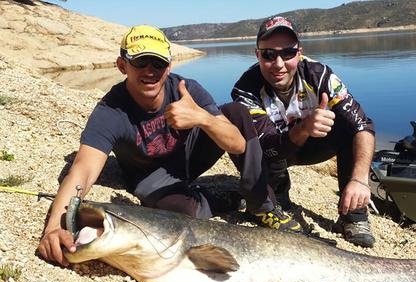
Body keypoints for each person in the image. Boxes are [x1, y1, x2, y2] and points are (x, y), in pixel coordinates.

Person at [38, 25, 302, 267]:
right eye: (140, 62)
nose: (150, 71)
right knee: (183, 214)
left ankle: (262, 203)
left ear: (169, 66)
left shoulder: (187, 89)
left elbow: (237, 144)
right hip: (153, 177)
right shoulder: (111, 110)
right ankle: (215, 199)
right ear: (122, 65)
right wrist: (55, 226)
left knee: (236, 112)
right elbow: (83, 169)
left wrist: (202, 118)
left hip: (189, 158)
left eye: (158, 62)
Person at [231, 16, 377, 248]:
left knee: (349, 129)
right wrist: (305, 127)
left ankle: (354, 217)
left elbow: (363, 125)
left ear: (299, 53)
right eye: (269, 54)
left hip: (313, 146)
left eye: (287, 53)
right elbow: (267, 145)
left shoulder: (321, 76)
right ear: (257, 55)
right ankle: (276, 200)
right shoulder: (245, 89)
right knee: (240, 132)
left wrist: (360, 179)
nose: (278, 64)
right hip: (275, 151)